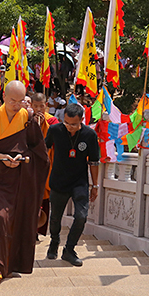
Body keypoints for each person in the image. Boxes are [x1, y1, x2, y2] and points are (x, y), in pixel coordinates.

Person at [0, 81, 50, 289]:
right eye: (12, 100)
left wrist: (21, 158)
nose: (16, 104)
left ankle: (10, 266)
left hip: (20, 178)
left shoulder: (27, 118)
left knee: (17, 220)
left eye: (20, 100)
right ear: (4, 97)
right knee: (1, 218)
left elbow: (37, 150)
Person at [45, 103, 100, 267]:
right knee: (55, 218)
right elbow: (43, 149)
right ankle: (54, 242)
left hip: (79, 182)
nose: (69, 127)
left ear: (82, 120)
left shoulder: (89, 134)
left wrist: (95, 185)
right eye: (67, 123)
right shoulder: (55, 130)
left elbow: (94, 162)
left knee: (81, 216)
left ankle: (69, 250)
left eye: (74, 124)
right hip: (58, 181)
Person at [30, 93, 60, 237]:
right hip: (30, 164)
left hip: (47, 164)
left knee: (44, 196)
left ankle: (39, 229)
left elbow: (56, 140)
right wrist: (34, 125)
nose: (39, 109)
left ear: (46, 105)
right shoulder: (26, 119)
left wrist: (43, 125)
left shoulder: (52, 120)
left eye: (41, 106)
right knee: (29, 196)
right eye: (35, 106)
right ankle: (29, 229)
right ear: (31, 106)